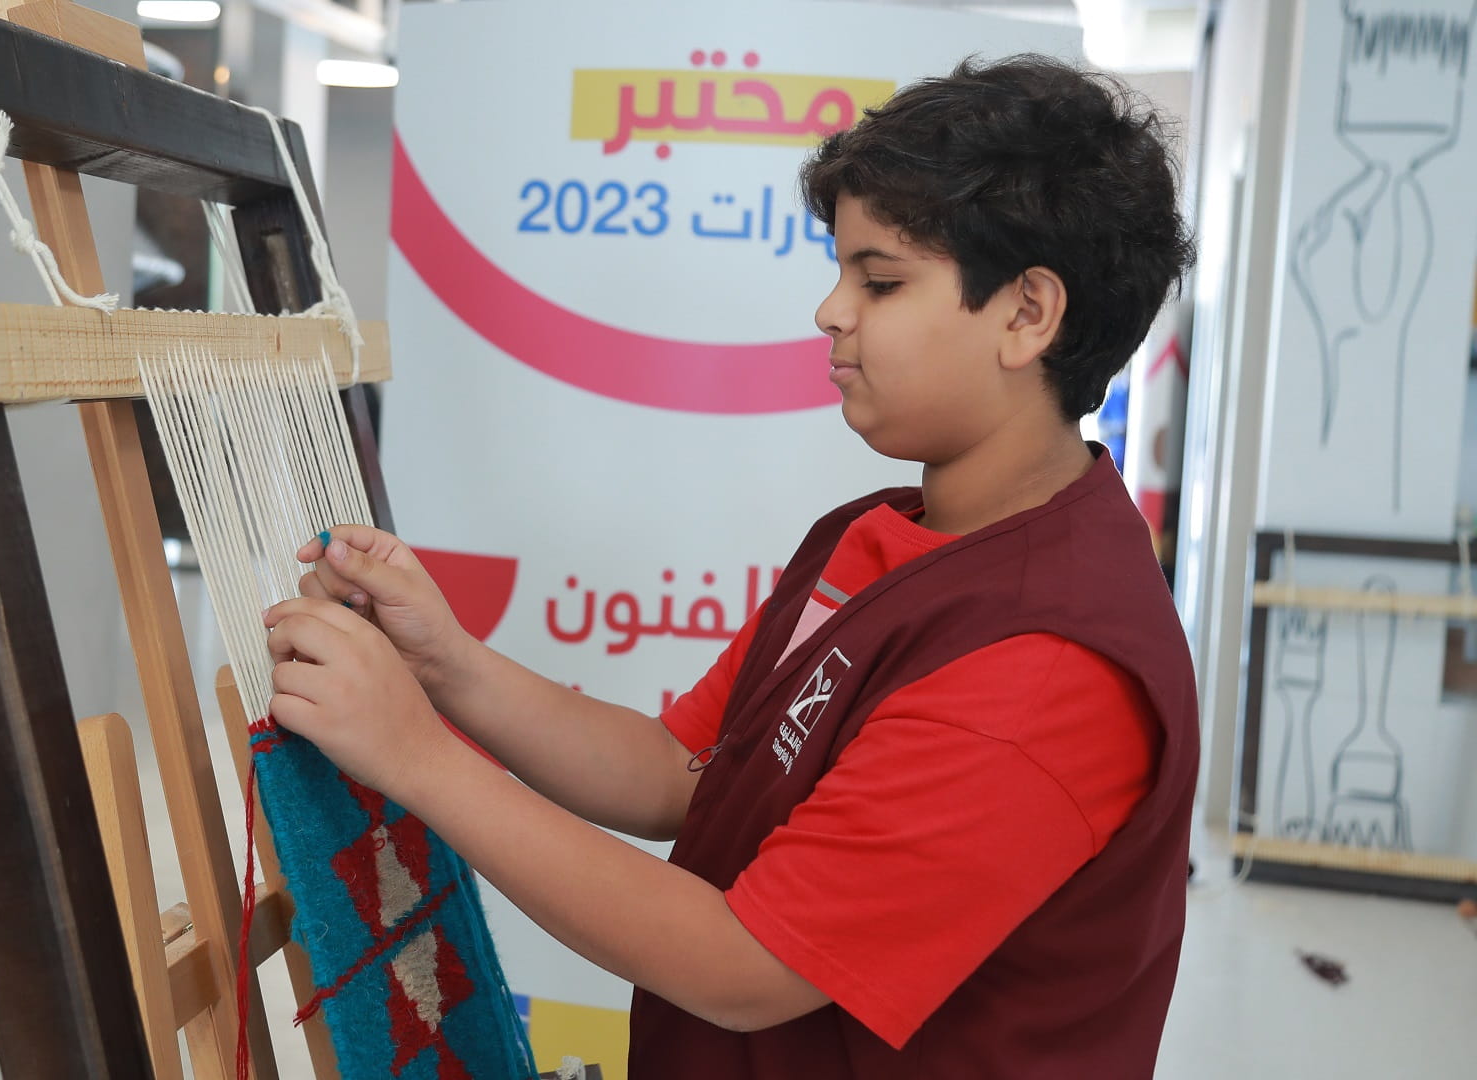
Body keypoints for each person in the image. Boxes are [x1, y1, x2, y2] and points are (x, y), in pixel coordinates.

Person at [261, 54, 1199, 1078]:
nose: (830, 312)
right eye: (841, 271)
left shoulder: (1047, 665)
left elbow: (745, 965)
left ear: (1028, 315)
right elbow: (679, 772)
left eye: (880, 280)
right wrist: (445, 664)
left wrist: (417, 756)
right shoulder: (878, 535)